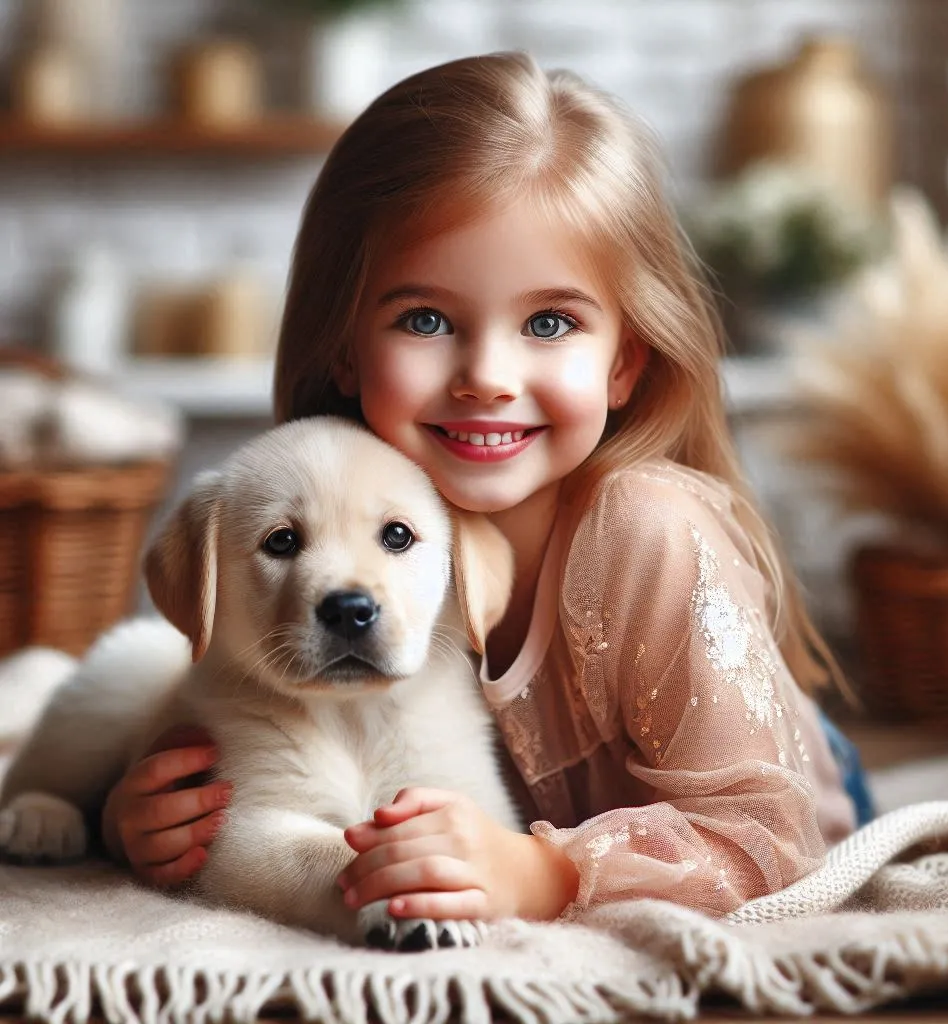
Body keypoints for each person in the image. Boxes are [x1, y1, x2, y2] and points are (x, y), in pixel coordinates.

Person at [101, 51, 872, 922]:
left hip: (784, 800)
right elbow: (298, 782)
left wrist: (543, 874)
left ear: (624, 360)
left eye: (550, 322)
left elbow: (769, 840)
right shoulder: (337, 522)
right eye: (425, 319)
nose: (487, 376)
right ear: (344, 348)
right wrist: (155, 817)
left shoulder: (647, 531)